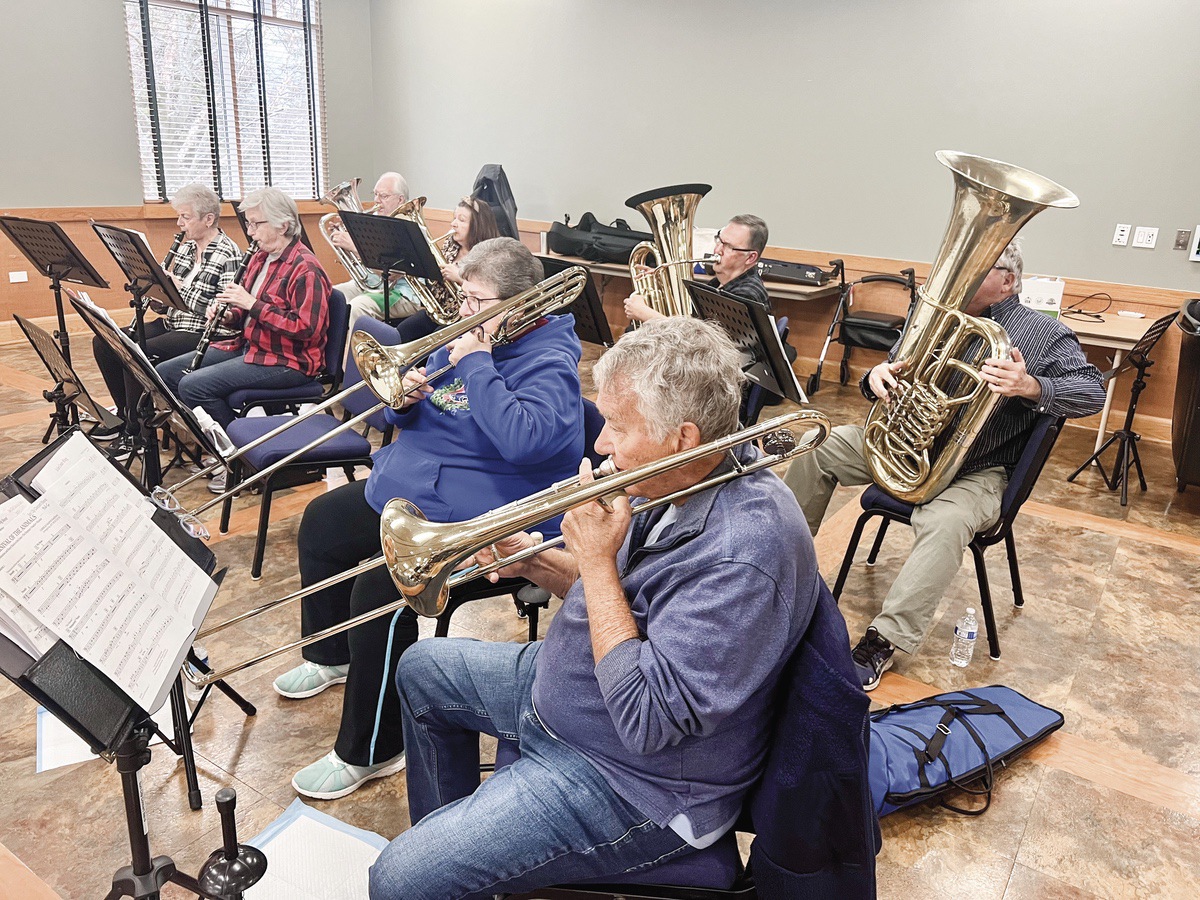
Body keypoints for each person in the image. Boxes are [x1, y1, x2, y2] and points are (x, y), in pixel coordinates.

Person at [367, 317, 845, 898]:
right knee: (423, 670)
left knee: (397, 878)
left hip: (636, 783)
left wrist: (594, 562)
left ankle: (450, 870)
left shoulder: (741, 552)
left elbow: (648, 721)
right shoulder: (671, 476)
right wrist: (538, 562)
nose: (600, 444)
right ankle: (469, 874)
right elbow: (629, 605)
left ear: (683, 437)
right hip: (572, 696)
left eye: (616, 426)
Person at [274, 237, 585, 801]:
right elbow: (418, 402)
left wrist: (477, 364)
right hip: (414, 489)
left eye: (474, 300)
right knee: (322, 523)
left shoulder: (550, 361)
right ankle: (331, 655)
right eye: (462, 296)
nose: (461, 311)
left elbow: (525, 439)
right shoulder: (473, 334)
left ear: (517, 305)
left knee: (377, 591)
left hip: (486, 523)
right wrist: (406, 398)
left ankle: (373, 747)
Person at [782, 239, 1106, 690]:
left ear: (1008, 282)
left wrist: (1031, 385)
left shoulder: (1044, 333)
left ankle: (883, 639)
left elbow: (1092, 392)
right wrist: (877, 377)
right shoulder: (935, 314)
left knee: (947, 521)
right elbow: (894, 366)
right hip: (904, 445)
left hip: (977, 469)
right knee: (819, 445)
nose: (962, 276)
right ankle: (778, 571)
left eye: (979, 268)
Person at [156, 187, 331, 491]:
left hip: (289, 360)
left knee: (194, 386)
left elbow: (307, 329)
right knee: (166, 374)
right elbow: (243, 314)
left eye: (255, 224)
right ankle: (219, 445)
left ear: (283, 225)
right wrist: (226, 314)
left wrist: (252, 304)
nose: (249, 232)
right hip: (252, 347)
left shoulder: (306, 268)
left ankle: (240, 461)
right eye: (248, 224)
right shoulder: (259, 258)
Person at [91, 183, 241, 460]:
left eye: (185, 217)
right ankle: (125, 416)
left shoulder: (229, 253)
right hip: (176, 323)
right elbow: (168, 305)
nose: (179, 223)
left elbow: (224, 309)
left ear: (208, 219)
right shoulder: (185, 250)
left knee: (137, 353)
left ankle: (136, 433)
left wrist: (177, 288)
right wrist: (158, 293)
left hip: (207, 331)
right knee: (105, 341)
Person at [624, 214, 770, 325]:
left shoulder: (746, 296)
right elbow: (691, 323)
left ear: (750, 258)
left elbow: (701, 344)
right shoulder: (717, 284)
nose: (717, 249)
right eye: (719, 239)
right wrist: (661, 283)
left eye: (728, 246)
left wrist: (645, 314)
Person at [393, 195, 502, 342]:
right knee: (402, 332)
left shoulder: (489, 254)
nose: (453, 224)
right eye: (454, 218)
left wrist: (459, 278)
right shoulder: (451, 244)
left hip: (464, 316)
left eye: (461, 220)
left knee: (434, 341)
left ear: (478, 225)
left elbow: (489, 292)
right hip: (439, 311)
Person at [332, 171, 423, 335]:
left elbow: (392, 273)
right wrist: (345, 244)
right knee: (332, 296)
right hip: (372, 284)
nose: (376, 200)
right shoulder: (374, 221)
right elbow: (364, 268)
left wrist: (355, 247)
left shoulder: (407, 226)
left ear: (400, 200)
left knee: (357, 306)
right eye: (375, 194)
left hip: (402, 293)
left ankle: (352, 358)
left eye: (384, 196)